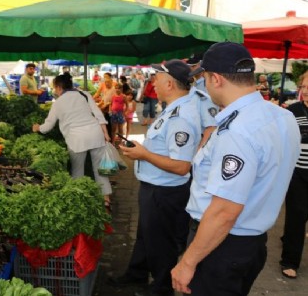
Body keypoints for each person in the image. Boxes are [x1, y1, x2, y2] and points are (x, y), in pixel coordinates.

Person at [171, 42, 300, 295]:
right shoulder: (282, 116)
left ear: (216, 79)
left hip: (221, 246)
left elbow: (224, 212)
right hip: (251, 243)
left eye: (204, 78)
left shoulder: (238, 129)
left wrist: (188, 261)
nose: (204, 86)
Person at [108, 60, 201, 296]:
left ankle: (161, 288)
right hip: (155, 188)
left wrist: (143, 154)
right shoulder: (172, 107)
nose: (152, 83)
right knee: (146, 235)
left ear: (169, 83)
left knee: (161, 243)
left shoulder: (181, 116)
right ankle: (137, 274)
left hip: (165, 192)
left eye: (156, 79)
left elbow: (182, 166)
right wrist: (142, 151)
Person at [32, 72, 113, 209]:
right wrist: (106, 133)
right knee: (100, 170)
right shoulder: (84, 94)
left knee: (77, 171)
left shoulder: (58, 103)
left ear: (58, 87)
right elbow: (98, 114)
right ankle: (106, 200)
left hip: (76, 140)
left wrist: (37, 128)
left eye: (54, 87)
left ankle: (80, 201)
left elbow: (47, 127)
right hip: (95, 134)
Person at [279, 71, 308, 279]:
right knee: (296, 218)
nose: (305, 91)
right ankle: (290, 260)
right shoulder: (292, 110)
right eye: (303, 86)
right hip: (298, 173)